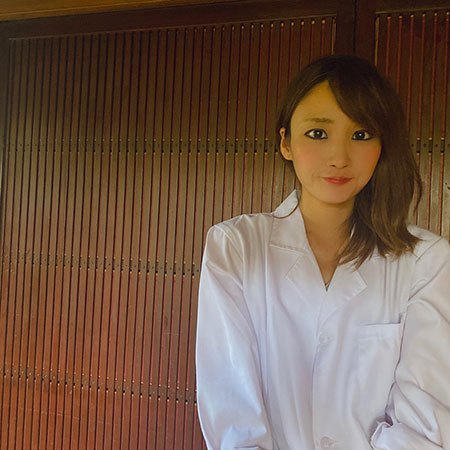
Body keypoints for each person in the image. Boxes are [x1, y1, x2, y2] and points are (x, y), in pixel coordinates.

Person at [195, 55, 450, 450]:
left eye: (361, 134)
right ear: (286, 142)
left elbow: (426, 424)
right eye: (318, 133)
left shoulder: (426, 261)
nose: (339, 157)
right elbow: (232, 411)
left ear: (382, 145)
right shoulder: (237, 247)